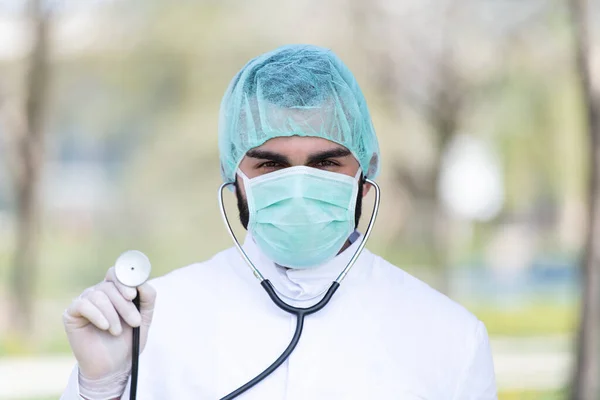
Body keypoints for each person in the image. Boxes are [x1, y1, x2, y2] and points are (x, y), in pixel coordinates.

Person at [61, 44, 497, 400]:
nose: (299, 187)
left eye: (326, 163)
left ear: (365, 177)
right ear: (234, 178)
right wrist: (99, 389)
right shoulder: (151, 326)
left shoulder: (450, 339)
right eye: (271, 166)